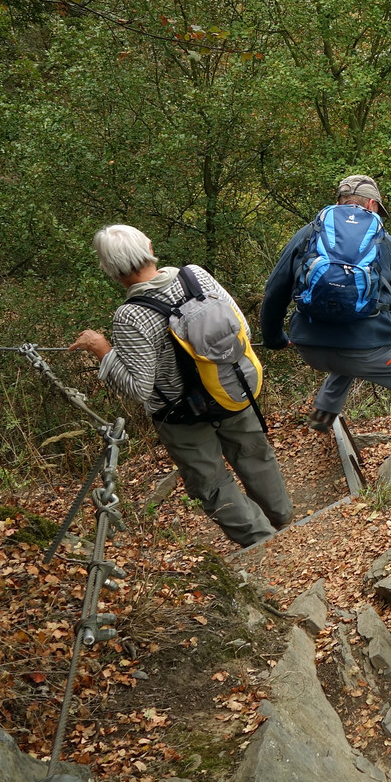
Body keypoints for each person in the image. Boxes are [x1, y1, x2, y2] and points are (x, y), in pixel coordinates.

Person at [69, 225, 293, 547]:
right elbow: (241, 327)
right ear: (149, 245)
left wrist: (103, 350)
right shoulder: (195, 277)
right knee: (254, 455)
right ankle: (286, 522)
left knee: (210, 483)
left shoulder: (129, 316)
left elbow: (140, 389)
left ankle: (264, 544)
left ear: (110, 271)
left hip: (181, 416)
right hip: (230, 389)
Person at [260, 174, 391, 476]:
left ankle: (325, 408)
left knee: (351, 350)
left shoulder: (307, 235)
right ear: (372, 204)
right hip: (365, 352)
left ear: (339, 202)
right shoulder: (386, 243)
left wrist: (275, 339)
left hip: (309, 346)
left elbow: (274, 293)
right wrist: (390, 334)